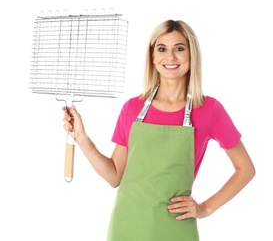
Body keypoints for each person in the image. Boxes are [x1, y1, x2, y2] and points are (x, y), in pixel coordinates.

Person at [63, 19, 255, 241]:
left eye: (179, 49)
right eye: (162, 49)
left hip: (175, 227)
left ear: (192, 56)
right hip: (127, 224)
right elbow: (115, 176)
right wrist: (81, 137)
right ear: (152, 57)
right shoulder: (132, 108)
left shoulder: (209, 109)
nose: (170, 57)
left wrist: (205, 208)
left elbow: (245, 169)